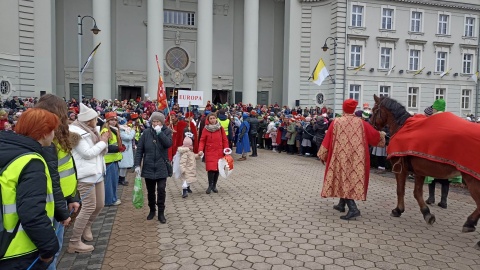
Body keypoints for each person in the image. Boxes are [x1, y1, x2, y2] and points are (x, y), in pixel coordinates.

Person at [0, 108, 59, 269]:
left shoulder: (8, 149)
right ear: (45, 132)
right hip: (18, 251)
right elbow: (32, 212)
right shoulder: (30, 161)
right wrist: (49, 248)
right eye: (53, 130)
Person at [318, 99, 385, 220]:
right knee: (349, 178)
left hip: (340, 157)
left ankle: (353, 209)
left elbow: (328, 139)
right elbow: (374, 136)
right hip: (357, 158)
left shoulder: (336, 122)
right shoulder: (361, 123)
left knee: (343, 178)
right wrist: (383, 135)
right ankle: (341, 204)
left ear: (343, 108)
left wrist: (323, 154)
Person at [35, 94, 81, 269]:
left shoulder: (59, 135)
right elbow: (52, 178)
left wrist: (73, 197)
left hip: (63, 197)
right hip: (52, 203)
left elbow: (69, 167)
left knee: (56, 249)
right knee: (52, 252)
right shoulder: (47, 140)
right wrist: (62, 211)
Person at [67, 103, 109, 253]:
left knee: (100, 204)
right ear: (88, 120)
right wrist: (103, 142)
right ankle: (74, 241)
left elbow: (99, 152)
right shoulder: (75, 133)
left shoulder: (91, 131)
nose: (97, 121)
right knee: (89, 207)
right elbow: (88, 153)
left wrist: (103, 141)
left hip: (97, 173)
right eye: (94, 118)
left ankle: (86, 226)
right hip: (86, 175)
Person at [134, 112, 172, 223]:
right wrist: (137, 164)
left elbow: (168, 144)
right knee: (150, 191)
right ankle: (152, 210)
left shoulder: (167, 131)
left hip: (161, 166)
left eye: (158, 122)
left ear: (162, 122)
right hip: (149, 165)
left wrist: (160, 133)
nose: (155, 124)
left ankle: (161, 212)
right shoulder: (146, 133)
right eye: (154, 121)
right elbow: (140, 149)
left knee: (161, 190)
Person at [424, 99, 461, 208]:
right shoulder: (449, 119)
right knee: (445, 178)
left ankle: (431, 198)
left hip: (434, 152)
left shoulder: (433, 119)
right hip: (446, 154)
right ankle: (443, 201)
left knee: (431, 176)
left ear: (435, 108)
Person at [198, 112, 230, 194]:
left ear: (216, 119)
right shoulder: (206, 129)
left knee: (217, 169)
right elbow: (202, 140)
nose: (212, 120)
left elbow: (225, 140)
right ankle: (210, 185)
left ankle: (214, 185)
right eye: (210, 118)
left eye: (213, 118)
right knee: (211, 169)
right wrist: (200, 150)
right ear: (208, 120)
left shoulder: (220, 128)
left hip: (219, 151)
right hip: (210, 151)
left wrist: (226, 149)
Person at [101, 112, 124, 206]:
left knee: (114, 181)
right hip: (109, 160)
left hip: (114, 159)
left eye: (115, 120)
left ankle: (112, 198)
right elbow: (103, 146)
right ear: (107, 121)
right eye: (111, 120)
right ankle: (109, 200)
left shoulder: (114, 130)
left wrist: (120, 147)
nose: (114, 122)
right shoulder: (106, 131)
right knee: (110, 182)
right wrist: (118, 148)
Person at [118, 117, 136, 186]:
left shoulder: (124, 130)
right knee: (123, 165)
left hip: (126, 150)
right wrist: (133, 131)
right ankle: (121, 179)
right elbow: (129, 137)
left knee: (124, 166)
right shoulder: (120, 131)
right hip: (124, 150)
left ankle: (122, 178)